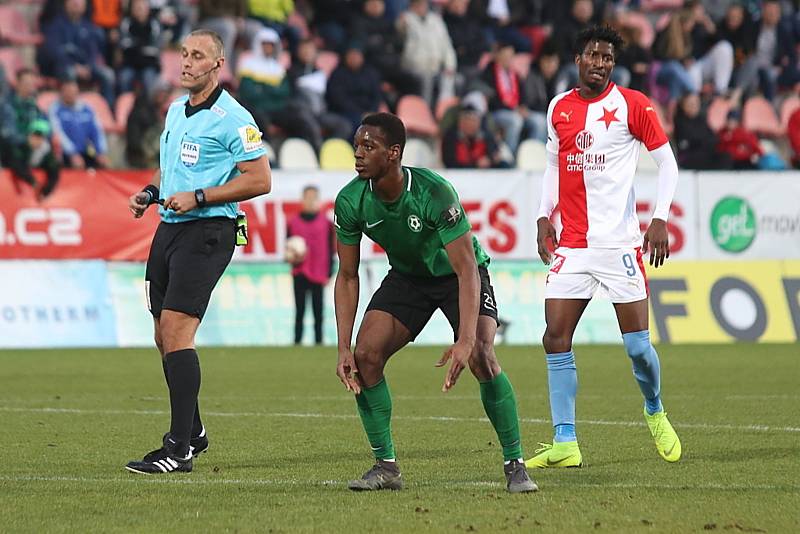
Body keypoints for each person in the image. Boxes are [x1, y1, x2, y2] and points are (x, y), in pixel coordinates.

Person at [334, 112, 537, 493]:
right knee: (366, 356)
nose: (358, 154)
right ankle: (386, 466)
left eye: (369, 146)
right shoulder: (350, 200)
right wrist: (343, 345)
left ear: (393, 153)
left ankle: (515, 464)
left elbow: (466, 272)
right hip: (409, 278)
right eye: (357, 145)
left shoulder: (433, 192)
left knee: (481, 355)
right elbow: (347, 276)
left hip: (459, 275)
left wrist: (464, 341)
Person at [526, 25, 682, 469]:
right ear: (578, 59)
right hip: (573, 246)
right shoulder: (559, 108)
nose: (600, 63)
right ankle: (565, 441)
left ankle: (654, 409)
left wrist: (659, 218)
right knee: (555, 337)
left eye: (607, 58)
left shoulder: (632, 105)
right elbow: (553, 168)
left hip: (619, 245)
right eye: (593, 55)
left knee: (636, 347)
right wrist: (543, 217)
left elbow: (667, 164)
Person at [124, 29, 271, 474]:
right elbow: (171, 169)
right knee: (162, 337)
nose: (186, 62)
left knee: (176, 331)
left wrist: (202, 197)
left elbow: (260, 179)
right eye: (183, 54)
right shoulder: (175, 110)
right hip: (169, 228)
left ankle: (179, 449)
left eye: (197, 56)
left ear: (217, 65)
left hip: (208, 230)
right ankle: (195, 431)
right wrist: (152, 191)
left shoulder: (233, 117)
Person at [287, 185, 334, 345]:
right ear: (302, 199)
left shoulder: (326, 223)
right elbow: (287, 248)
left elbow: (330, 248)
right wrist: (292, 257)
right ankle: (297, 341)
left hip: (318, 272)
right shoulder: (293, 222)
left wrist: (329, 272)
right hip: (300, 272)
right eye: (307, 197)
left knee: (318, 310)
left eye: (314, 197)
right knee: (299, 310)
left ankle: (319, 341)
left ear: (318, 200)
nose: (310, 201)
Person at [48, 76, 111, 170]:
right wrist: (72, 153)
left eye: (73, 92)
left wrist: (101, 152)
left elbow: (97, 131)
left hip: (85, 150)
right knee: (74, 164)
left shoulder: (87, 109)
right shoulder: (55, 109)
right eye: (67, 91)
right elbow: (58, 133)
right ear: (61, 92)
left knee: (105, 163)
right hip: (65, 153)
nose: (70, 94)